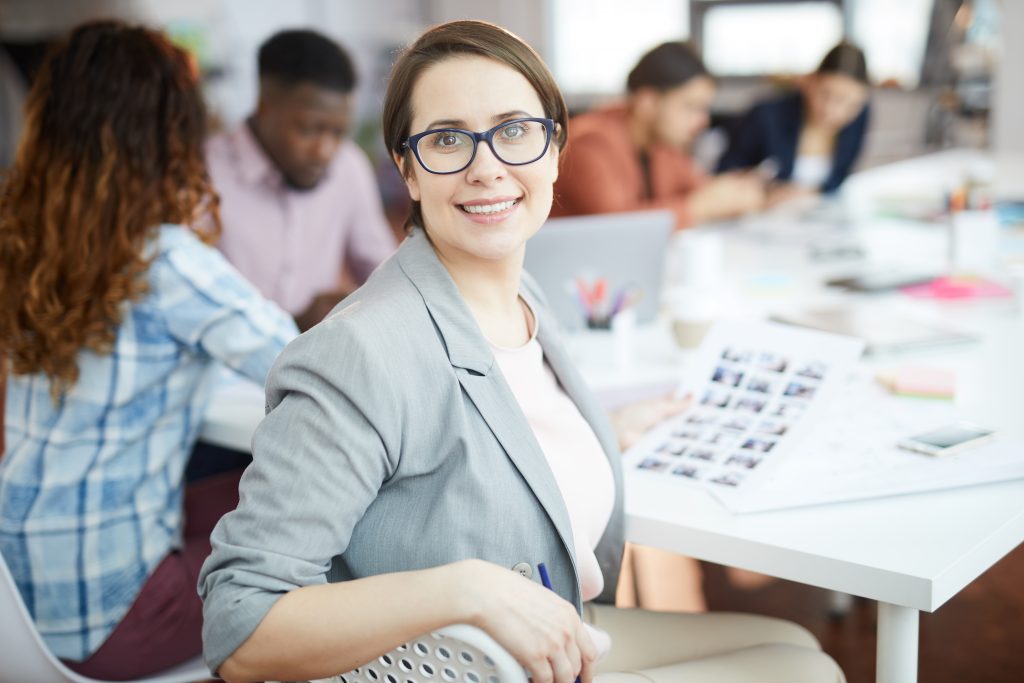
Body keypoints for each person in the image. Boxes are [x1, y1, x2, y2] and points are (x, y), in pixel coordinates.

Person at [198, 20, 845, 683]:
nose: (487, 167)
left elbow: (484, 434)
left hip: (554, 626)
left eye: (514, 130)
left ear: (555, 149)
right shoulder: (357, 351)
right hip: (465, 665)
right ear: (408, 170)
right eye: (447, 139)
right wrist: (465, 590)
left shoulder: (521, 293)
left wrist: (600, 431)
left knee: (797, 644)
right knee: (808, 675)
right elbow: (240, 623)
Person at [0, 22, 297, 679]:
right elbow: (314, 370)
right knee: (315, 531)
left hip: (16, 598)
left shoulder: (21, 243)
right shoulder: (166, 262)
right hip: (112, 623)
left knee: (238, 485)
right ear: (169, 134)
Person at [206, 29, 397, 331]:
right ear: (264, 106)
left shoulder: (349, 166)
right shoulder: (201, 176)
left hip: (319, 367)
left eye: (338, 132)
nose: (325, 151)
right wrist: (292, 325)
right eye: (309, 129)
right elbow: (184, 313)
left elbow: (386, 275)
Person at [552, 41, 765, 229]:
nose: (704, 121)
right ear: (648, 102)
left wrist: (731, 192)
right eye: (691, 107)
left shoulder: (664, 142)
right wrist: (698, 208)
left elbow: (700, 188)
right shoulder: (589, 144)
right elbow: (617, 227)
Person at [717, 42, 871, 203]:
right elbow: (726, 171)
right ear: (809, 83)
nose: (833, 111)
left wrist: (813, 192)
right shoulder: (766, 116)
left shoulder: (860, 116)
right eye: (825, 94)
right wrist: (763, 190)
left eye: (850, 104)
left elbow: (839, 176)